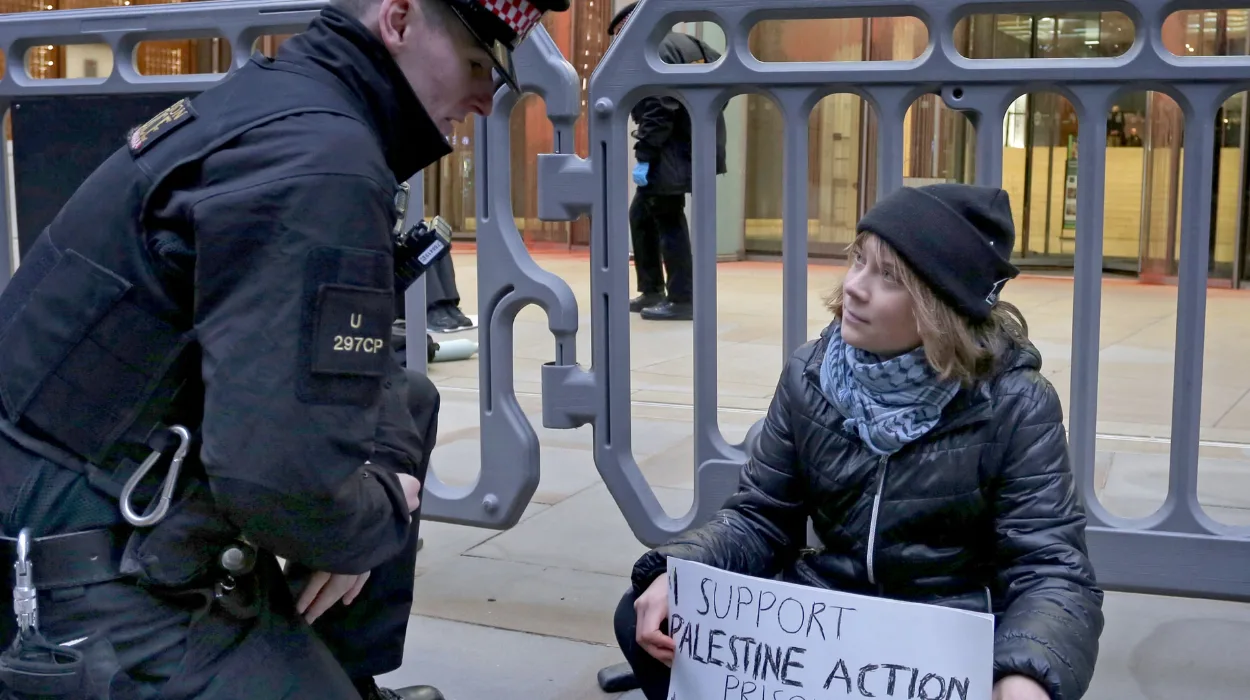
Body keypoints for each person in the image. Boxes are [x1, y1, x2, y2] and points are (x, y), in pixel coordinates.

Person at [0, 0, 567, 697]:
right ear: (397, 20)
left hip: (112, 485)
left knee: (403, 411)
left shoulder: (293, 111)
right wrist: (369, 515)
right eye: (478, 64)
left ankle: (339, 669)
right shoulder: (321, 164)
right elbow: (277, 478)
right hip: (82, 556)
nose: (484, 99)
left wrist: (359, 503)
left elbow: (345, 370)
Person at [612, 184, 1106, 700]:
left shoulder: (1015, 403)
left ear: (941, 305)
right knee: (647, 611)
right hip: (825, 629)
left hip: (941, 649)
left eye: (889, 277)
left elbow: (1051, 570)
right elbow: (760, 516)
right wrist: (684, 571)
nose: (854, 287)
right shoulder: (811, 372)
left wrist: (1027, 675)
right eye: (858, 260)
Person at [609, 2, 728, 322]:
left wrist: (645, 155)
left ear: (630, 25)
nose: (617, 42)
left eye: (618, 33)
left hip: (669, 150)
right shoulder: (689, 44)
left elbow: (659, 107)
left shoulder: (652, 49)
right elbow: (725, 80)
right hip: (693, 145)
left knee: (667, 218)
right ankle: (652, 289)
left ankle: (682, 298)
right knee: (642, 214)